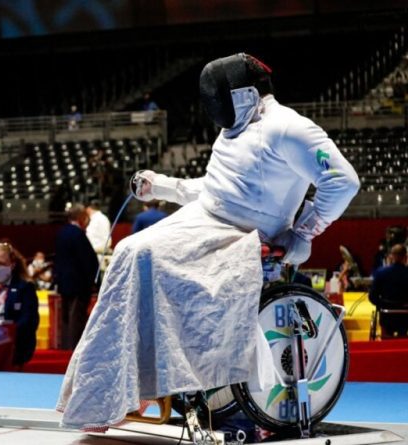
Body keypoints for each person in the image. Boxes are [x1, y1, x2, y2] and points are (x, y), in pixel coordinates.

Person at [57, 53, 360, 431]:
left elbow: (343, 181)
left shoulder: (289, 128)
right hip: (204, 220)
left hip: (242, 234)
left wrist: (303, 232)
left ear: (243, 94)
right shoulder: (233, 130)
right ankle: (122, 388)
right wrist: (165, 187)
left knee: (142, 254)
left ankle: (140, 387)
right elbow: (218, 191)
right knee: (128, 250)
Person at [54, 204, 100, 350]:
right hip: (78, 284)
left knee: (67, 318)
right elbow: (88, 260)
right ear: (81, 216)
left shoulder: (62, 232)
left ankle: (66, 347)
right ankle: (74, 349)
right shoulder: (78, 234)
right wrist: (94, 281)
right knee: (76, 318)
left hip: (64, 282)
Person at [369, 244, 408, 338]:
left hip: (387, 315)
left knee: (385, 324)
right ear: (405, 257)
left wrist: (382, 305)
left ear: (391, 256)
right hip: (405, 316)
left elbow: (372, 297)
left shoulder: (381, 273)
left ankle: (385, 342)